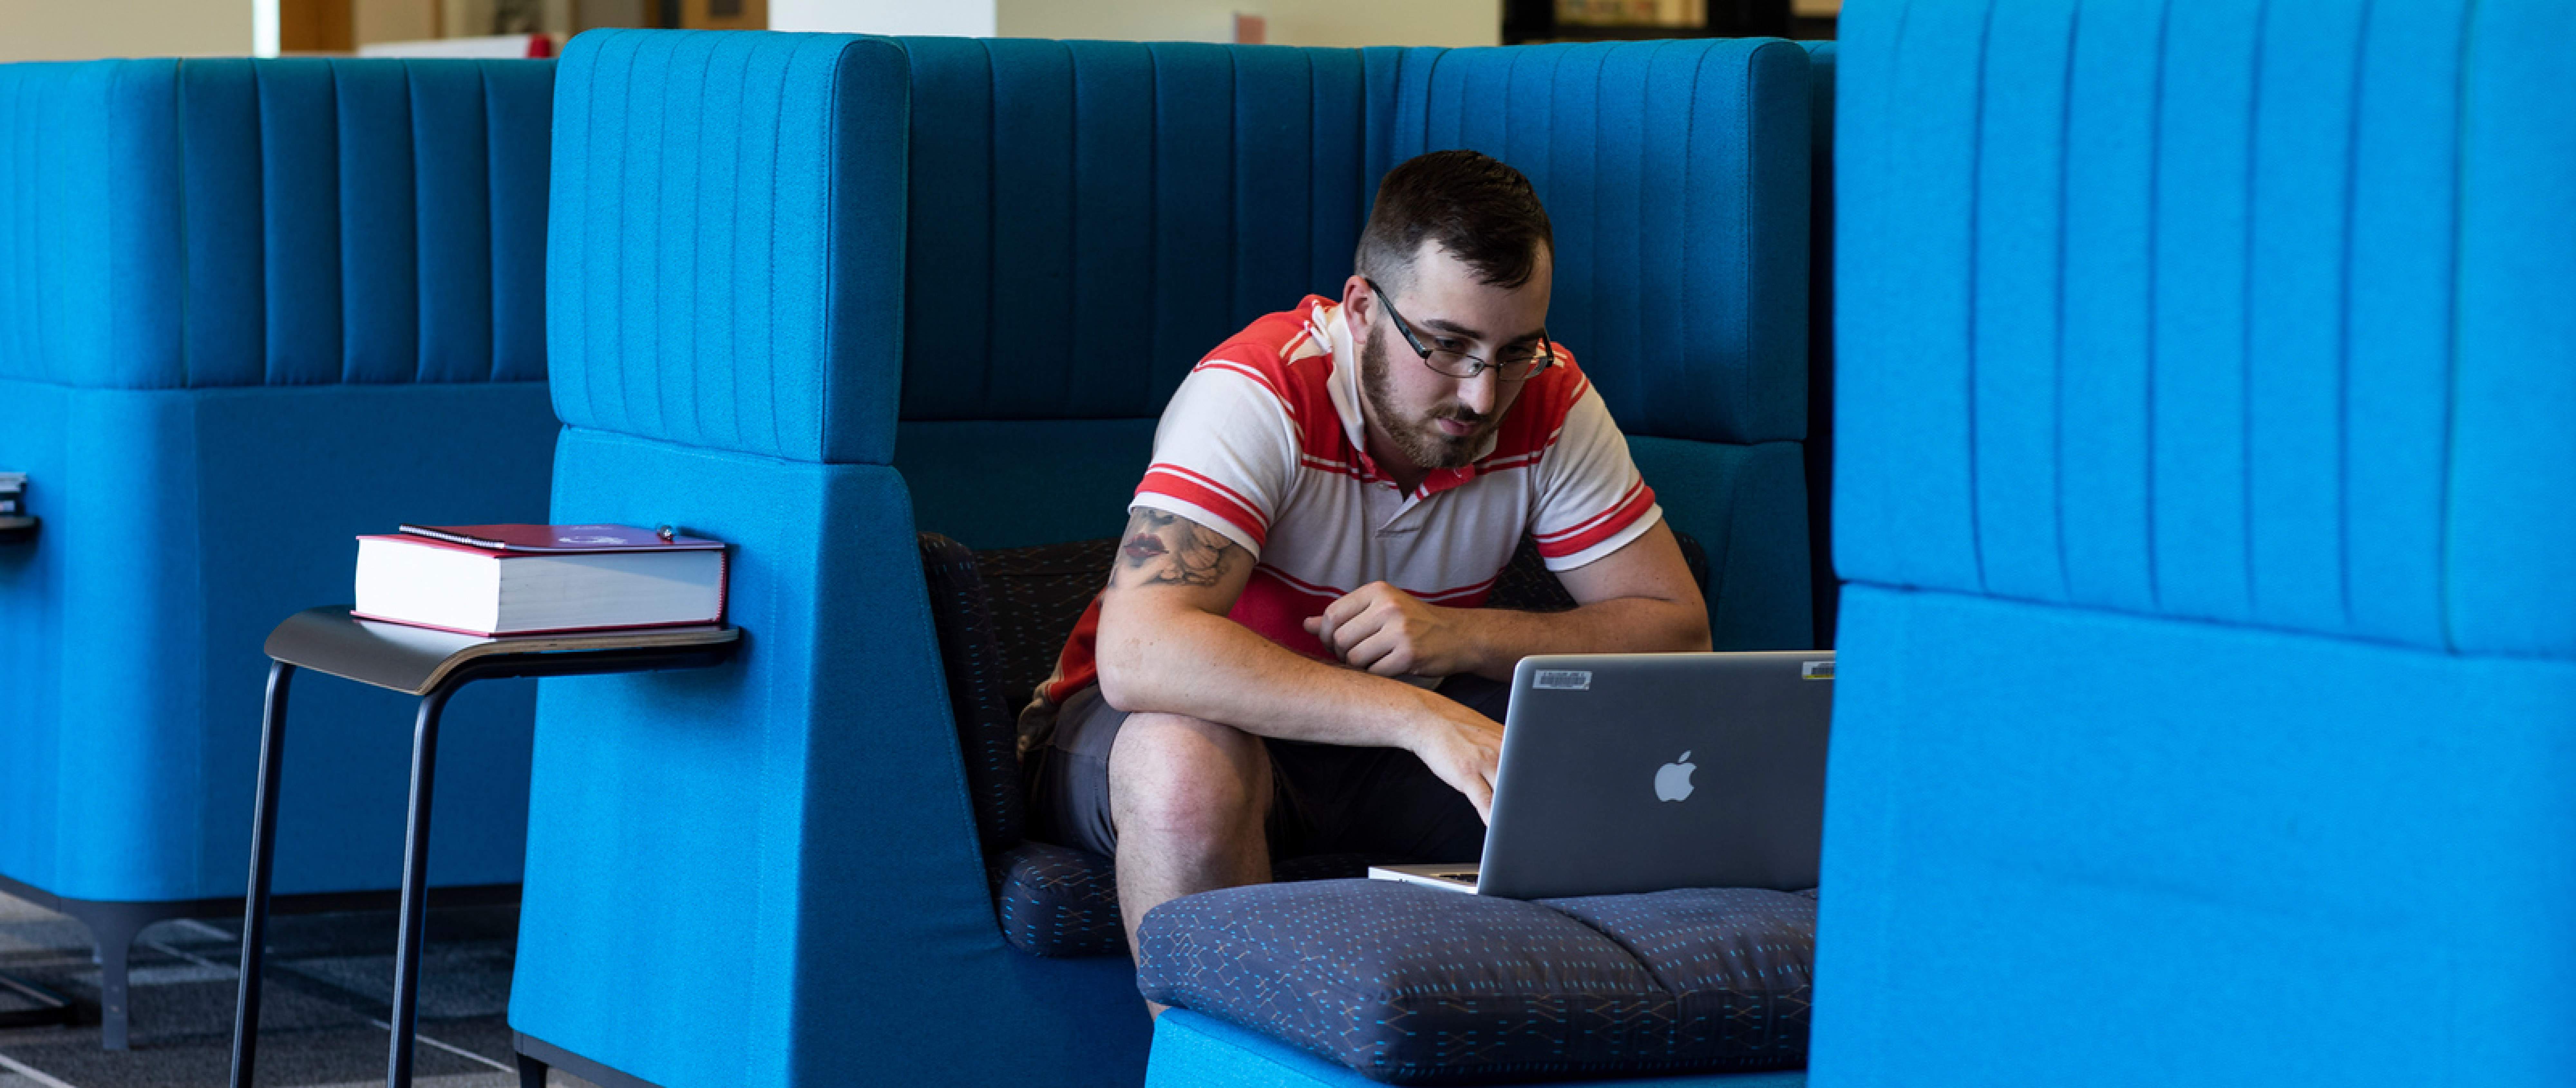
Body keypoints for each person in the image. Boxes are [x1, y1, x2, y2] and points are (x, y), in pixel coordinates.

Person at [1024, 149, 1711, 969]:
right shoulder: (1261, 387)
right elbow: (1140, 653)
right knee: (1184, 766)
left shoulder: (1550, 393)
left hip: (1374, 753)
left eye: (1514, 349)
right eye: (1447, 345)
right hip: (1154, 726)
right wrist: (1418, 718)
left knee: (1602, 767)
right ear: (1360, 308)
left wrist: (1462, 637)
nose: (1482, 396)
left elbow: (1675, 629)